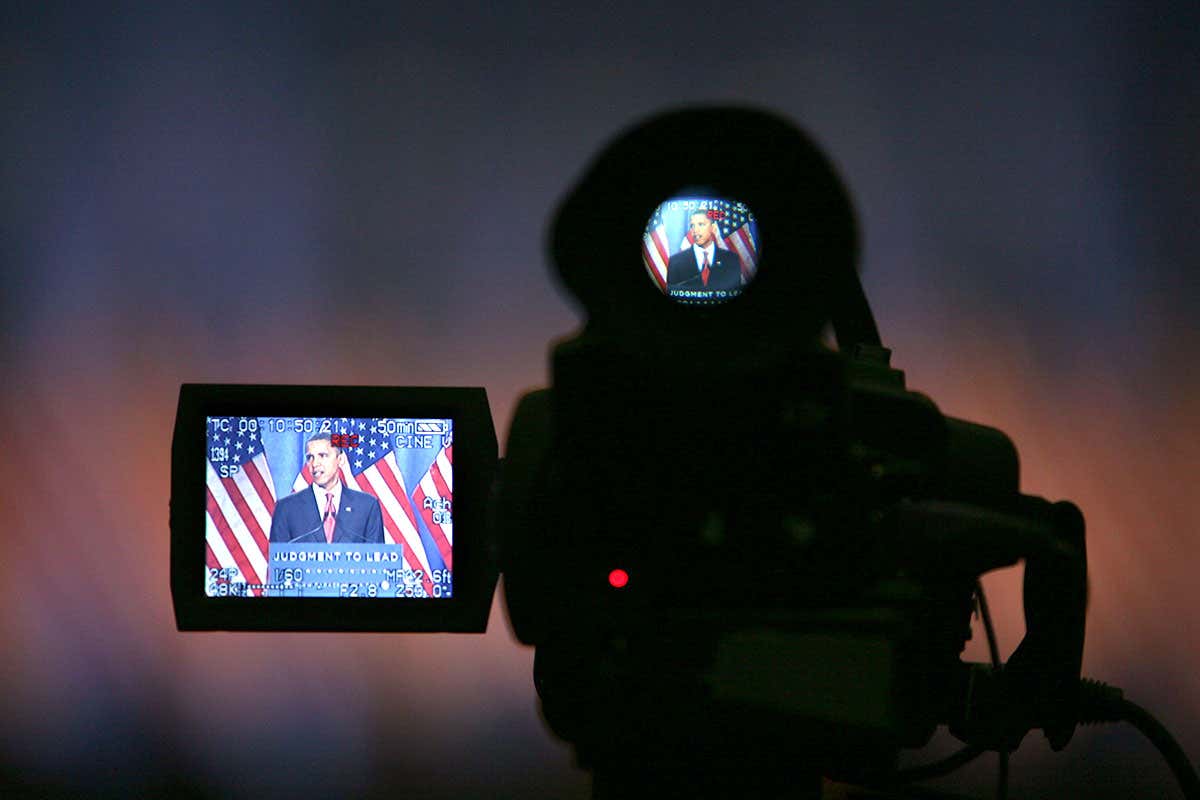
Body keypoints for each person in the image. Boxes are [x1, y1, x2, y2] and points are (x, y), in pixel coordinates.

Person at [269, 432, 385, 544]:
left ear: (340, 460)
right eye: (310, 457)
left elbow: (376, 559)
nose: (315, 464)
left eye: (323, 456)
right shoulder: (286, 508)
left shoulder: (367, 506)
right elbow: (278, 561)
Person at [665, 209, 744, 292]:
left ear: (713, 228)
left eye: (701, 224)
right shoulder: (675, 262)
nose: (695, 230)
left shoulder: (731, 259)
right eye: (692, 225)